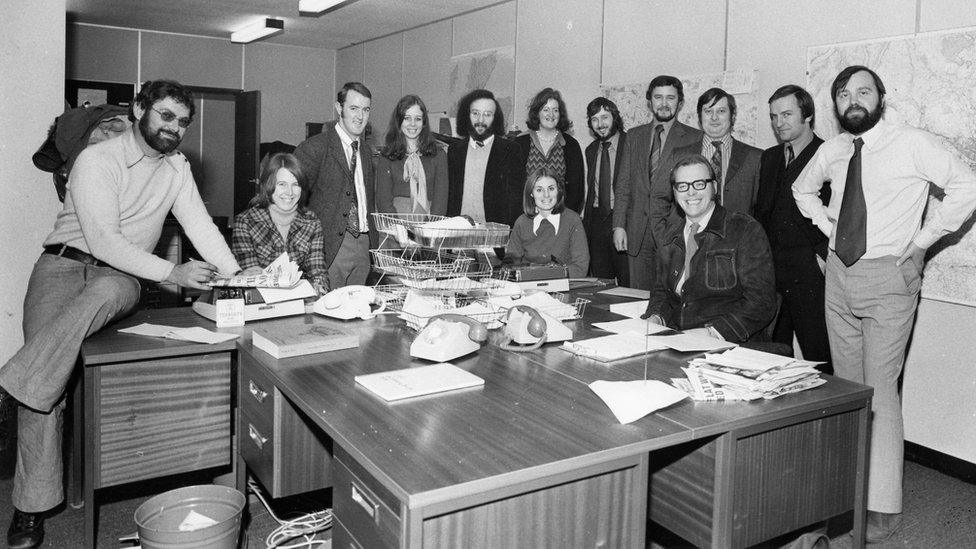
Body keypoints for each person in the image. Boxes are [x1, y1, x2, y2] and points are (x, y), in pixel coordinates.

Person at [0, 79, 242, 549]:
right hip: (62, 266)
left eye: (183, 122)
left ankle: (10, 384)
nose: (175, 129)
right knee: (47, 372)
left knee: (97, 298)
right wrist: (174, 271)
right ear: (139, 109)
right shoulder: (98, 159)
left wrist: (239, 275)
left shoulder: (176, 168)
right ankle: (28, 509)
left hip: (121, 277)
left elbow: (200, 227)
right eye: (166, 117)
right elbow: (103, 239)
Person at [792, 65, 976, 542]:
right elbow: (802, 190)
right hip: (839, 275)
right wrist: (830, 231)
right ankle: (848, 495)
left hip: (889, 276)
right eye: (844, 94)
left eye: (863, 92)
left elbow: (967, 186)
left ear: (881, 97)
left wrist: (922, 244)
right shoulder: (832, 149)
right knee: (849, 389)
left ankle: (883, 508)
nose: (853, 100)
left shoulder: (912, 142)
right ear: (835, 104)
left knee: (880, 389)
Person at [643, 155, 775, 343]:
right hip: (678, 340)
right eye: (682, 186)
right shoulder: (669, 237)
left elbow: (761, 303)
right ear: (674, 192)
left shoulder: (744, 229)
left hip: (730, 344)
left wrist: (712, 333)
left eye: (699, 184)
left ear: (713, 186)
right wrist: (656, 316)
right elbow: (661, 293)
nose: (691, 193)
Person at [755, 85, 831, 372]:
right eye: (774, 116)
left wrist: (822, 258)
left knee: (819, 354)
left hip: (810, 272)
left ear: (807, 115)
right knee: (772, 354)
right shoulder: (770, 157)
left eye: (787, 114)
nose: (779, 123)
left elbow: (838, 213)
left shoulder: (828, 154)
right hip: (772, 272)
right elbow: (763, 211)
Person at [613, 75, 702, 290]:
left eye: (670, 98)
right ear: (649, 101)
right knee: (638, 300)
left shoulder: (694, 137)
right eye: (658, 97)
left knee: (672, 298)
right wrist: (618, 226)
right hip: (637, 233)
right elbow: (624, 184)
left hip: (675, 232)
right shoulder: (634, 136)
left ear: (680, 103)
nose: (664, 103)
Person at [294, 81, 376, 288]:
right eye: (353, 108)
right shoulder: (314, 148)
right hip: (329, 247)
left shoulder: (366, 152)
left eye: (365, 109)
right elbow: (293, 203)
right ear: (339, 108)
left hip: (364, 247)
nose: (360, 116)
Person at [231, 152, 329, 294]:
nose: (289, 192)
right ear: (268, 185)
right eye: (282, 184)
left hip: (299, 301)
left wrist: (321, 294)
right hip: (260, 303)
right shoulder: (245, 222)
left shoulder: (311, 222)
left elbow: (318, 273)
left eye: (295, 184)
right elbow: (251, 279)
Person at [663, 88, 762, 221]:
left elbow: (761, 210)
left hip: (738, 239)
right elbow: (661, 199)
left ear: (732, 116)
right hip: (690, 238)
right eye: (708, 111)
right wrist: (666, 238)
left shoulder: (755, 157)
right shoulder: (679, 155)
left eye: (721, 111)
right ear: (700, 117)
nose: (714, 117)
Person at [446, 89, 525, 227]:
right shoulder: (454, 151)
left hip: (495, 235)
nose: (480, 120)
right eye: (475, 113)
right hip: (457, 233)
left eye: (487, 114)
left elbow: (515, 202)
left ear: (496, 118)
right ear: (467, 115)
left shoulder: (511, 150)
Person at [505, 167, 589, 277]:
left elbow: (580, 268)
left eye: (551, 188)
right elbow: (510, 265)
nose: (546, 195)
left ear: (559, 191)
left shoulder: (572, 220)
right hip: (529, 288)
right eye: (539, 190)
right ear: (531, 193)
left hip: (564, 287)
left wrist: (543, 275)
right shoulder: (521, 222)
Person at [513, 88, 585, 213]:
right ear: (536, 113)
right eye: (545, 110)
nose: (551, 115)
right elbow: (512, 188)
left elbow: (577, 191)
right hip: (526, 217)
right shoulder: (520, 143)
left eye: (555, 110)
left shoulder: (571, 145)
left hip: (560, 218)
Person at [375, 95, 449, 216]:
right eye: (407, 118)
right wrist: (397, 227)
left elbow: (441, 200)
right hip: (395, 224)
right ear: (399, 121)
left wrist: (430, 228)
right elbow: (383, 200)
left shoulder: (439, 155)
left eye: (418, 119)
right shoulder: (386, 156)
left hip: (429, 224)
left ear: (424, 122)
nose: (412, 124)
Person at [582, 97, 628, 284]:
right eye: (594, 119)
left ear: (615, 117)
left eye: (605, 117)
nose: (600, 124)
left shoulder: (632, 143)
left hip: (624, 222)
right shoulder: (590, 150)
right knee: (602, 285)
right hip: (597, 224)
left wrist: (622, 224)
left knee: (629, 283)